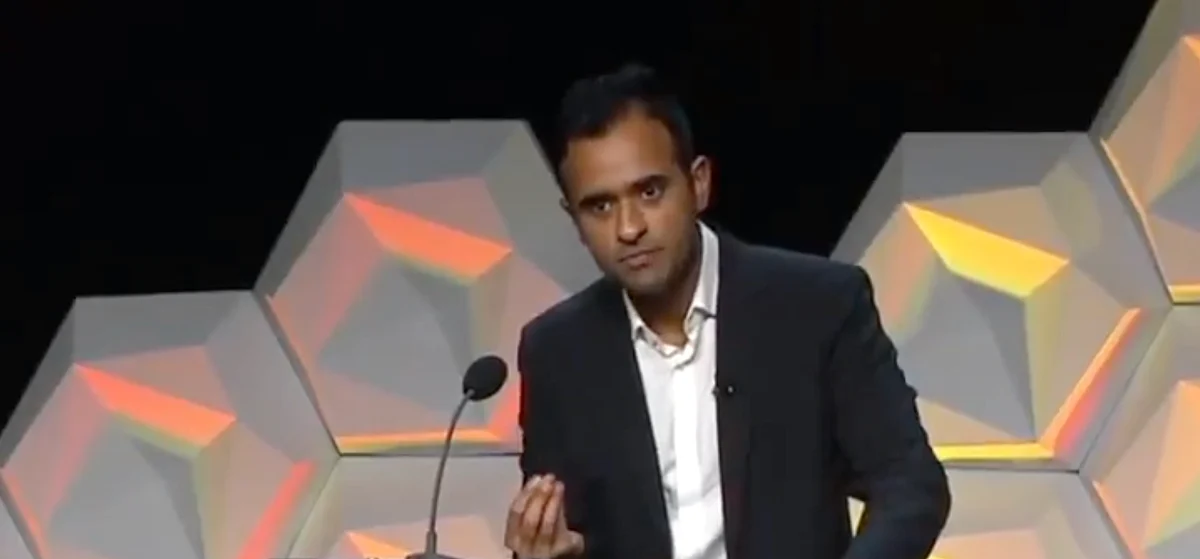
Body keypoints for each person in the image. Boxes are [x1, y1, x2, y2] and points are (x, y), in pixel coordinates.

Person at [504, 64, 950, 559]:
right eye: (600, 206)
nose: (629, 228)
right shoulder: (556, 352)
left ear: (698, 183)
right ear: (574, 219)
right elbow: (559, 536)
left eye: (649, 192)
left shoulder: (819, 307)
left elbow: (910, 485)